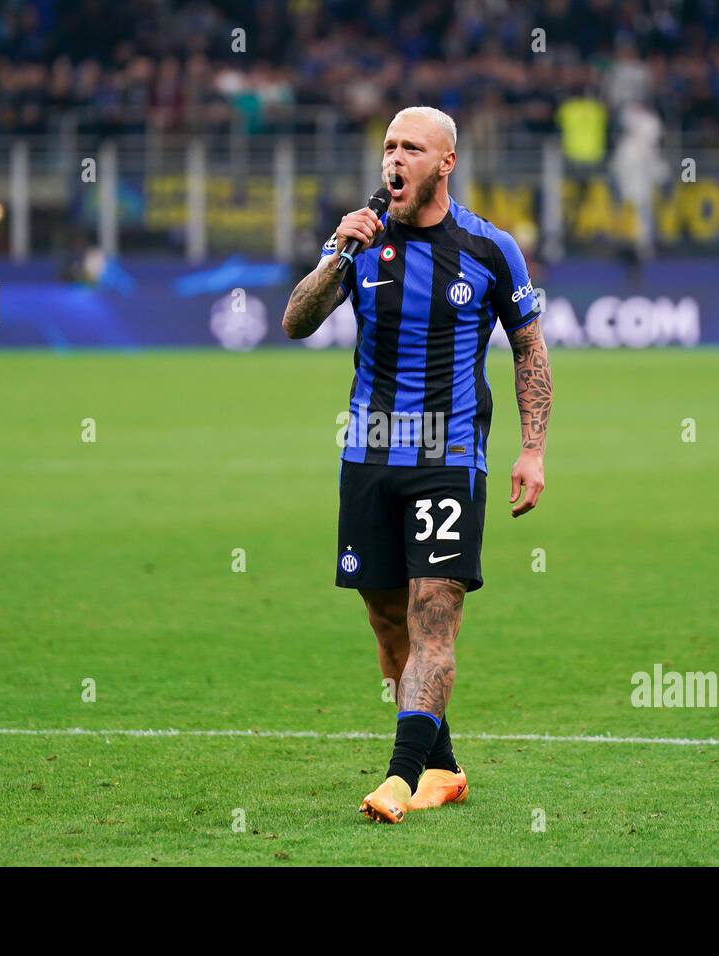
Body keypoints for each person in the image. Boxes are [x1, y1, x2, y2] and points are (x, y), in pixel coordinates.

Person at [281, 105, 554, 823]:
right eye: (388, 146)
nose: (394, 159)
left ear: (444, 163)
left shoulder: (489, 249)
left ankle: (400, 778)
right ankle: (445, 768)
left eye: (411, 148)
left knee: (434, 612)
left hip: (449, 456)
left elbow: (530, 349)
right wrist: (336, 253)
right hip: (367, 453)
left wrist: (532, 448)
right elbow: (295, 322)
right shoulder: (360, 245)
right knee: (387, 621)